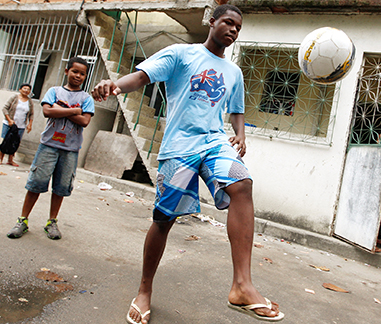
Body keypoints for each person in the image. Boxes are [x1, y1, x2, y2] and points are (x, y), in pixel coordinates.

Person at [91, 4, 283, 323]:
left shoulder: (233, 72)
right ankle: (144, 290)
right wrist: (116, 85)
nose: (234, 30)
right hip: (180, 147)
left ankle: (242, 285)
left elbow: (236, 109)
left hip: (213, 142)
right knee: (164, 219)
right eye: (228, 23)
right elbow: (142, 76)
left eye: (239, 27)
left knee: (243, 185)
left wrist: (240, 135)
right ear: (212, 21)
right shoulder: (181, 54)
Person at [7, 57, 94, 240]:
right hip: (48, 146)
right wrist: (75, 111)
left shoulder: (87, 98)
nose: (78, 75)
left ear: (85, 76)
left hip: (70, 149)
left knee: (61, 188)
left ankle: (52, 222)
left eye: (82, 73)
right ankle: (22, 220)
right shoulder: (53, 91)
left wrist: (60, 109)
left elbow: (85, 121)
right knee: (35, 184)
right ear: (66, 71)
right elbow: (47, 111)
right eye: (74, 71)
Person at [0, 83, 34, 167]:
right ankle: (0, 158)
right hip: (9, 124)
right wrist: (9, 120)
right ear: (20, 89)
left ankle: (10, 160)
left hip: (21, 126)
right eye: (24, 88)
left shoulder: (30, 101)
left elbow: (31, 114)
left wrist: (29, 124)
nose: (26, 90)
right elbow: (4, 108)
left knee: (15, 142)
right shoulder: (14, 98)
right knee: (5, 140)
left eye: (28, 89)